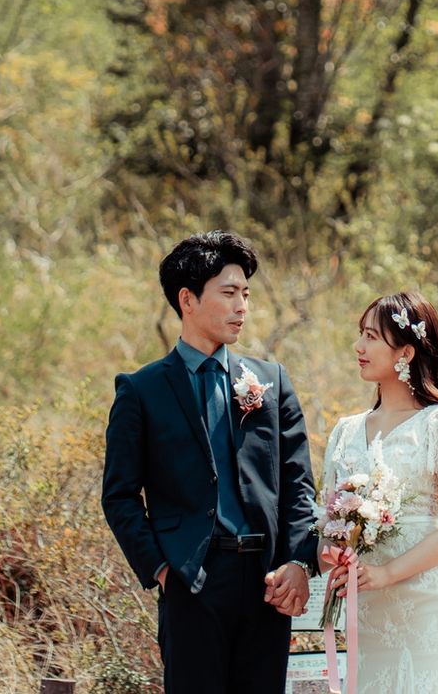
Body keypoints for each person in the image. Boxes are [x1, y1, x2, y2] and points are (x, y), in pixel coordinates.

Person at [102, 229, 318, 694]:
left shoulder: (272, 381)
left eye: (246, 294)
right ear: (188, 299)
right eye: (229, 293)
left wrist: (299, 562)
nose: (242, 307)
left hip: (266, 583)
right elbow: (119, 495)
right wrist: (164, 571)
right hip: (191, 582)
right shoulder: (141, 391)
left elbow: (298, 483)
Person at [321, 290, 438, 693]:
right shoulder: (345, 431)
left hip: (428, 605)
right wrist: (331, 553)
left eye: (371, 336)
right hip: (367, 609)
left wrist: (388, 573)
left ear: (406, 353)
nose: (358, 346)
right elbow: (328, 519)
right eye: (360, 334)